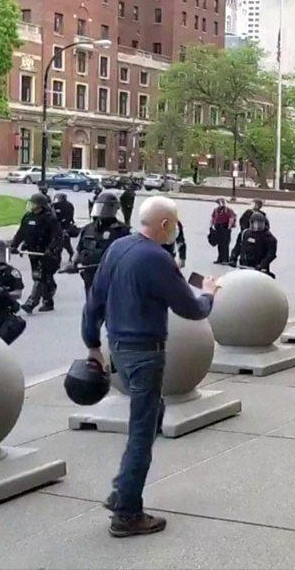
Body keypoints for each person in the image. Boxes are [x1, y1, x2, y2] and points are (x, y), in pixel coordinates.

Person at [82, 196, 219, 538]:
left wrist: (93, 346)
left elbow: (94, 302)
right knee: (142, 433)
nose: (175, 231)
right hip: (146, 353)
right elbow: (191, 309)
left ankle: (121, 491)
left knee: (152, 412)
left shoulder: (117, 248)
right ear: (165, 225)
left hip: (119, 350)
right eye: (175, 225)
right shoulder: (158, 258)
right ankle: (127, 513)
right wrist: (210, 294)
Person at [10, 192, 62, 314]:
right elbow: (21, 233)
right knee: (40, 277)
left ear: (40, 205)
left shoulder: (50, 218)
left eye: (33, 203)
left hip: (46, 253)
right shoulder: (28, 217)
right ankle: (48, 301)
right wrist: (14, 245)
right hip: (33, 252)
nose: (31, 205)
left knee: (40, 276)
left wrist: (51, 249)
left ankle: (32, 302)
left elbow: (57, 236)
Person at [74, 192, 131, 293]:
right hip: (89, 275)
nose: (101, 210)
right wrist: (74, 263)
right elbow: (80, 249)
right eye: (99, 206)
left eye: (104, 207)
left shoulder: (123, 231)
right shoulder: (88, 229)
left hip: (111, 277)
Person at [230, 211, 277, 276]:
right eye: (254, 224)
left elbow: (271, 254)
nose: (256, 227)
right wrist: (233, 258)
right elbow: (237, 247)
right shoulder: (244, 234)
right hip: (244, 266)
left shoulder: (269, 238)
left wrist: (262, 265)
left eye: (259, 224)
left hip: (259, 269)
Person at [209, 198, 236, 264]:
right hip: (218, 227)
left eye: (221, 202)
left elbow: (231, 218)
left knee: (225, 244)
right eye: (218, 203)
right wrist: (211, 226)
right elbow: (213, 218)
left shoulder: (228, 210)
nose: (220, 204)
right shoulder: (216, 210)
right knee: (219, 244)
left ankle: (225, 259)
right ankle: (220, 258)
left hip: (225, 227)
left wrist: (228, 228)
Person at [52, 192, 77, 264]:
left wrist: (64, 221)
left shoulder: (69, 205)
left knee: (64, 239)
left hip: (65, 225)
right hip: (56, 225)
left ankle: (70, 253)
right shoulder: (53, 206)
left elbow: (70, 216)